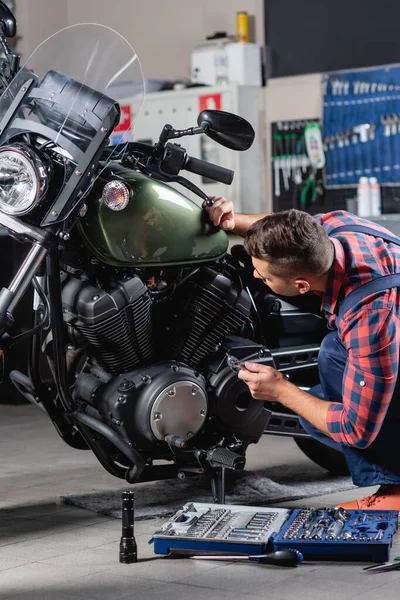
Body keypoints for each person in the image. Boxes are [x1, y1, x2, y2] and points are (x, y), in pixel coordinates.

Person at [205, 197, 400, 510]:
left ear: (301, 285)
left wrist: (281, 390)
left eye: (265, 277)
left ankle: (395, 492)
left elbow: (355, 430)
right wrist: (233, 221)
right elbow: (282, 232)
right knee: (323, 384)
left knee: (323, 396)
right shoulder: (332, 228)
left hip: (387, 329)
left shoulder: (370, 317)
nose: (257, 277)